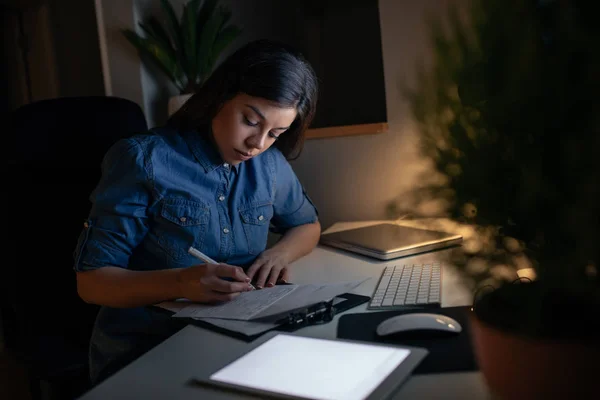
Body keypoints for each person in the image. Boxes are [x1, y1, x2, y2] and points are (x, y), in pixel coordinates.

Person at [73, 39, 321, 384]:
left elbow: (308, 225)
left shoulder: (268, 164)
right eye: (250, 121)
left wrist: (280, 253)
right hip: (149, 349)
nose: (258, 144)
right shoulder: (143, 159)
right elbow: (91, 283)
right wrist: (180, 282)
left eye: (275, 133)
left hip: (234, 341)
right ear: (220, 97)